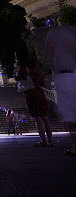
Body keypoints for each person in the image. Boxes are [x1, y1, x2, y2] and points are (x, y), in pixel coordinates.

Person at [44, 24, 76, 155]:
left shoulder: (53, 34)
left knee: (69, 113)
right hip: (73, 72)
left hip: (63, 75)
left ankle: (75, 145)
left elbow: (47, 54)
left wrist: (46, 72)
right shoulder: (72, 32)